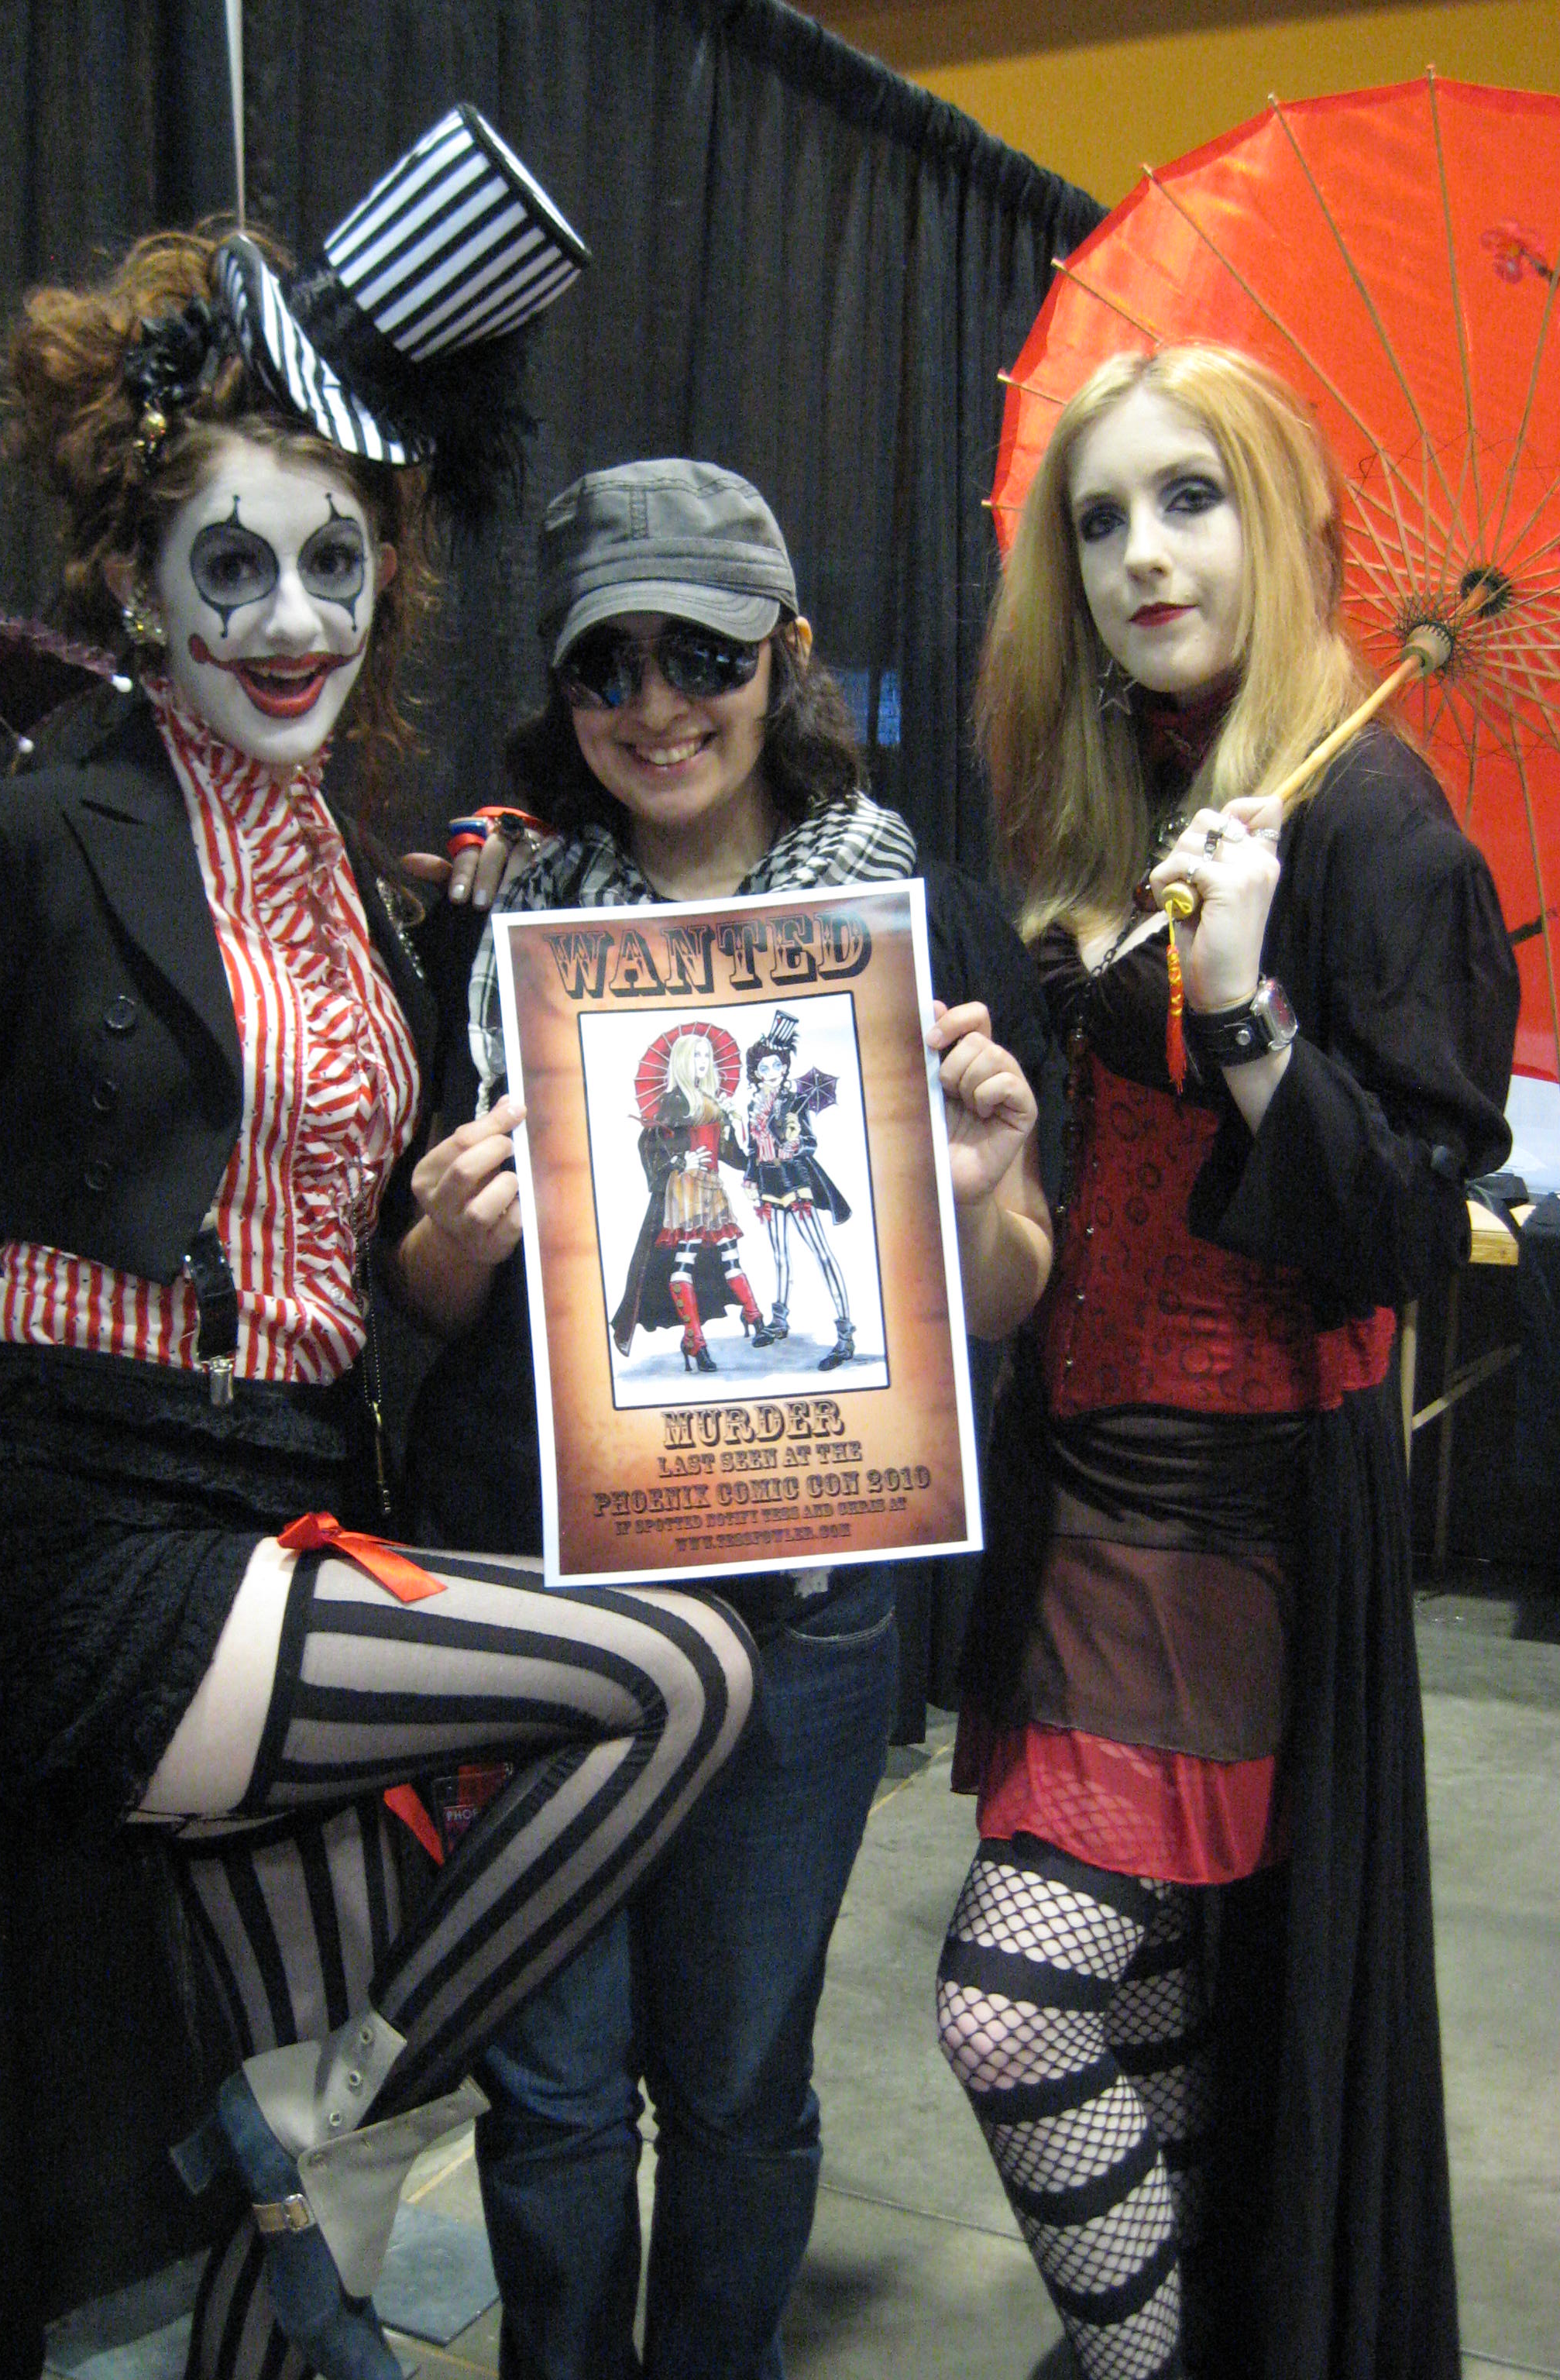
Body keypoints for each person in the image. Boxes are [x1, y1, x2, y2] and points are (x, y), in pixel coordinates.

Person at [0, 127, 759, 2380]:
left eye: (336, 564)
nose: (293, 618)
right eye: (234, 566)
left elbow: (368, 1270)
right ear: (142, 586)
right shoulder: (47, 837)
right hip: (93, 1544)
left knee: (315, 2234)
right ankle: (310, 2105)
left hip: (296, 1499)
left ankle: (298, 2133)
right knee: (676, 1674)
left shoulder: (367, 896)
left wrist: (443, 1231)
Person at [392, 457, 1054, 2379]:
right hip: (537, 1586)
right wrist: (450, 1239)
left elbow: (1003, 1293)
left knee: (742, 2076)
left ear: (787, 655)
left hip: (802, 1597)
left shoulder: (917, 922)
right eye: (608, 663)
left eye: (703, 652)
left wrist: (975, 1187)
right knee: (551, 2081)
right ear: (563, 687)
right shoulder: (497, 933)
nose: (658, 704)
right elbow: (423, 1306)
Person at [935, 345, 1519, 2380]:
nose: (1141, 556)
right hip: (1077, 1477)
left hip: (1230, 1512)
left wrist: (1250, 1007)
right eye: (1100, 518)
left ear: (1280, 523)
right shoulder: (1140, 789)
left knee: (1016, 2007)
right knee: (1157, 2014)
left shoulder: (1379, 828)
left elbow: (1407, 1232)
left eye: (1191, 499)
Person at [610, 1023, 774, 1373]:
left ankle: (753, 1314)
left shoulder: (710, 1100)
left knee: (729, 1254)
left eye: (707, 1055)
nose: (703, 1060)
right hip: (685, 1190)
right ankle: (695, 1340)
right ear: (683, 1060)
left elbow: (728, 1153)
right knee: (685, 1260)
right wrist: (680, 1161)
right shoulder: (674, 1101)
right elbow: (650, 1143)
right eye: (696, 1055)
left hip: (712, 1187)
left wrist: (733, 1124)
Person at [739, 1009, 857, 1365]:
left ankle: (845, 1335)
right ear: (756, 1073)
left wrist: (794, 1141)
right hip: (768, 1181)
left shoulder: (793, 1101)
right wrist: (749, 1176)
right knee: (779, 1253)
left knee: (820, 1251)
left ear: (786, 1067)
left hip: (795, 1178)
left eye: (778, 1065)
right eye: (765, 1068)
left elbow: (810, 1143)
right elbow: (753, 1148)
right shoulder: (753, 1105)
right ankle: (780, 1321)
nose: (773, 1072)